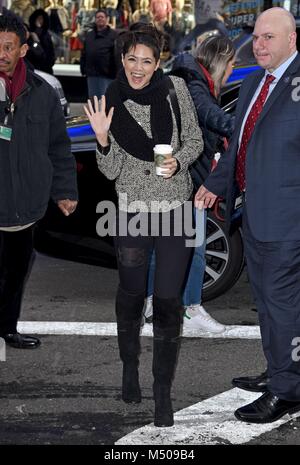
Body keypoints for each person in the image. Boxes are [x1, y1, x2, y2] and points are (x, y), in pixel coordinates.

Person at [84, 26, 203, 427]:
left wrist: (179, 162)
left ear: (159, 62)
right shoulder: (111, 100)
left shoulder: (176, 90)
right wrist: (102, 141)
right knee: (133, 293)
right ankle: (129, 367)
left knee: (169, 302)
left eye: (147, 61)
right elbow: (113, 169)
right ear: (122, 59)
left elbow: (195, 142)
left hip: (174, 212)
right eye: (131, 59)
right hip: (132, 211)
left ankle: (163, 394)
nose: (138, 68)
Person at [196, 7, 300, 423]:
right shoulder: (255, 80)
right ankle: (282, 367)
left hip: (288, 220)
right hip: (254, 215)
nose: (258, 45)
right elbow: (238, 144)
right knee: (273, 305)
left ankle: (287, 389)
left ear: (292, 40)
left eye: (269, 38)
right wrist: (214, 185)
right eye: (256, 37)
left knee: (281, 304)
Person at [144, 35, 235, 333]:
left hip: (176, 175)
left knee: (178, 246)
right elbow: (214, 118)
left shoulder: (188, 77)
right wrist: (245, 127)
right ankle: (182, 309)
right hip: (179, 178)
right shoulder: (193, 84)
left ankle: (160, 307)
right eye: (232, 63)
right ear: (220, 60)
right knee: (187, 246)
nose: (233, 70)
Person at [0, 14, 78, 349]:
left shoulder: (43, 92)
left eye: (8, 46)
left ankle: (7, 328)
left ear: (23, 50)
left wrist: (64, 190)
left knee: (16, 275)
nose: (1, 53)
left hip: (27, 207)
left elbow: (59, 146)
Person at [80, 9, 118, 99]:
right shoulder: (89, 35)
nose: (100, 19)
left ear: (107, 19)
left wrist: (115, 71)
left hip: (107, 75)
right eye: (98, 17)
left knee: (105, 100)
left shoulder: (113, 35)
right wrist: (83, 68)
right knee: (93, 100)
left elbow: (117, 55)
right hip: (91, 74)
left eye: (102, 17)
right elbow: (84, 53)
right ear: (95, 19)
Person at [27, 8, 55, 75]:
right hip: (34, 68)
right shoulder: (30, 34)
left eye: (41, 18)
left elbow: (50, 52)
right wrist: (36, 42)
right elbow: (33, 51)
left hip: (45, 68)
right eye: (37, 18)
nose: (39, 21)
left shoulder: (46, 35)